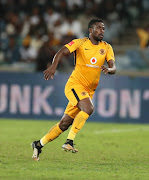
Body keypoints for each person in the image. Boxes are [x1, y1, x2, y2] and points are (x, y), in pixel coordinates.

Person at [31, 19, 116, 161]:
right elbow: (61, 52)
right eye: (99, 28)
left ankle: (38, 144)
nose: (102, 31)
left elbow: (113, 67)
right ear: (90, 30)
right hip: (75, 85)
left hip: (88, 91)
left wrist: (110, 69)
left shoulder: (107, 47)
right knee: (88, 108)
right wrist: (53, 67)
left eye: (103, 29)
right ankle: (69, 142)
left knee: (64, 124)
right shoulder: (80, 43)